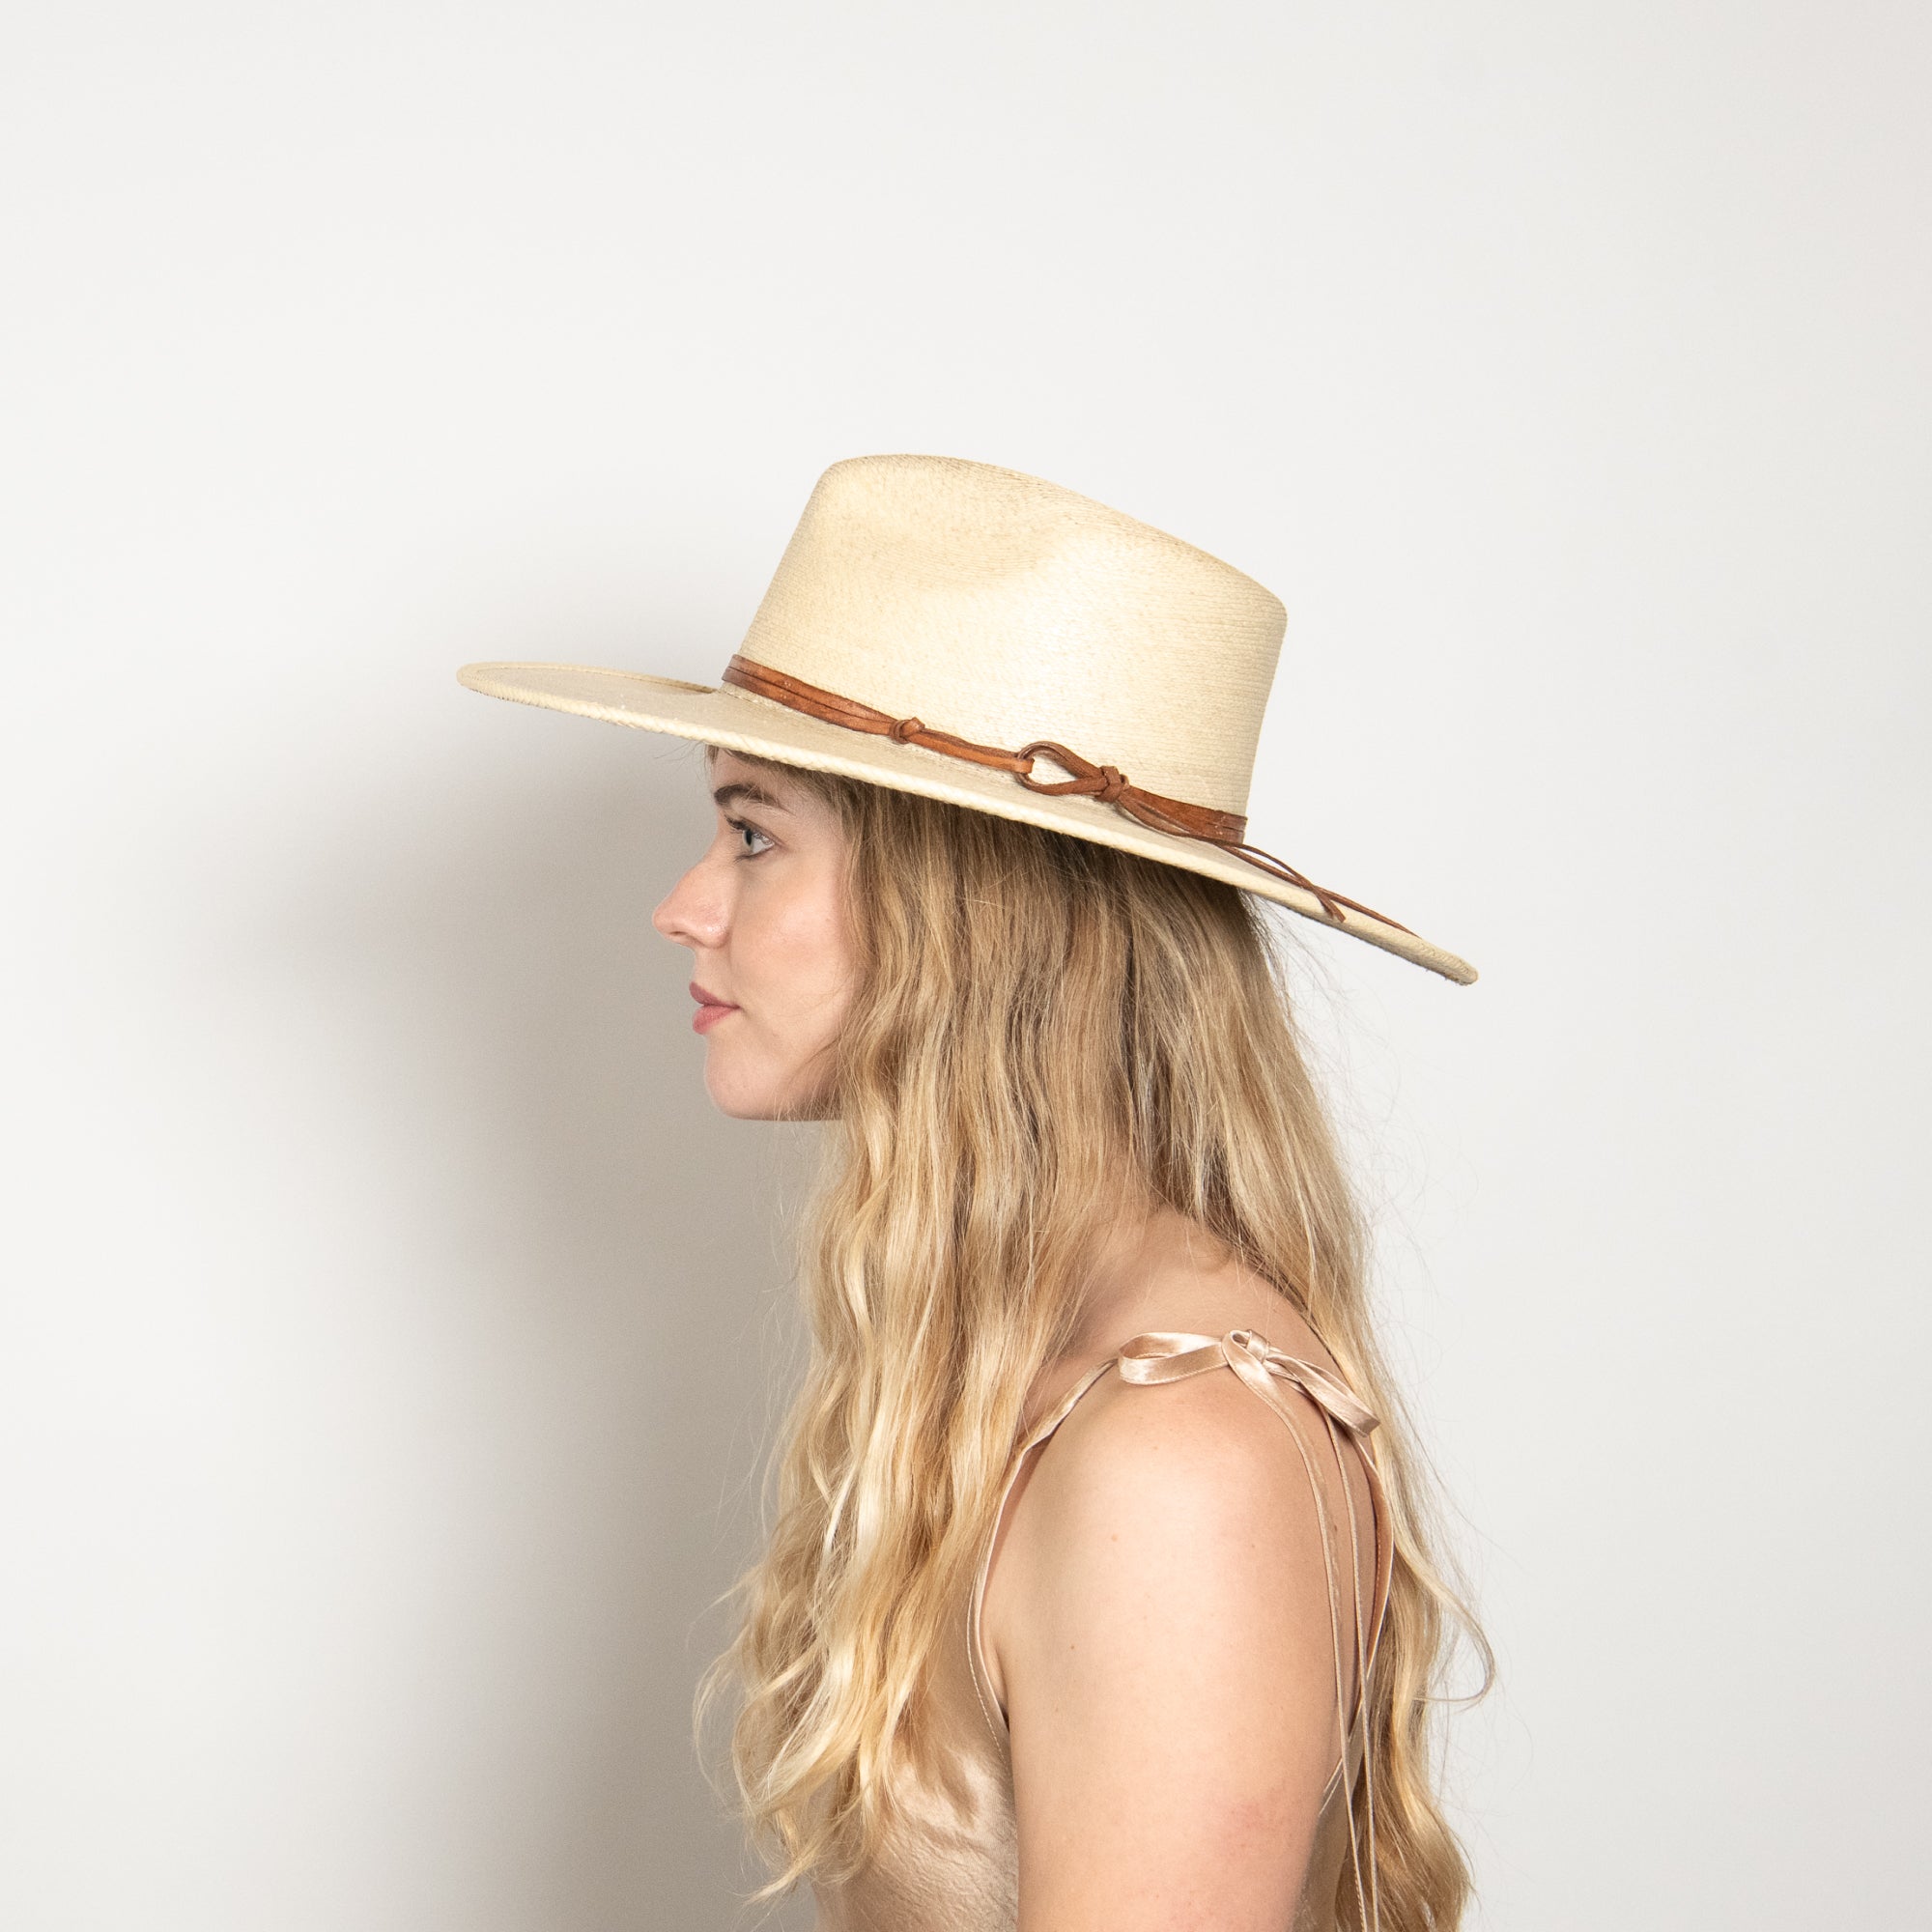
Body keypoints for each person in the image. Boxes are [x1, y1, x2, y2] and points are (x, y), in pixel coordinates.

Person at [460, 454, 1488, 1931]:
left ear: (967, 912)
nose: (685, 905)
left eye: (753, 833)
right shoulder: (1033, 1363)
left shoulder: (1174, 1458)